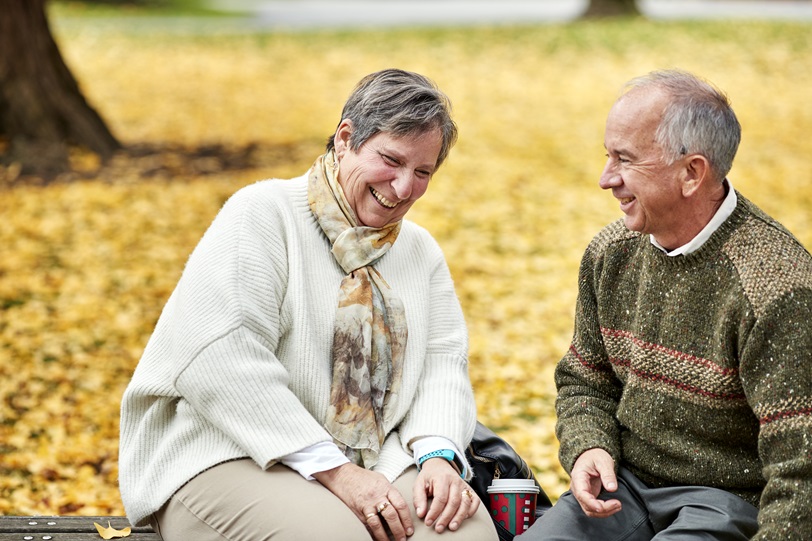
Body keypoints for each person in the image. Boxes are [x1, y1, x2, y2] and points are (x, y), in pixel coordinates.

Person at [118, 68, 498, 541]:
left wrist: (439, 455)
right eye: (391, 160)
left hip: (375, 456)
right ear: (345, 139)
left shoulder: (419, 252)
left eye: (422, 172)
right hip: (225, 451)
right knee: (337, 536)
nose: (403, 188)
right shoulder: (262, 213)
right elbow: (218, 358)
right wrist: (336, 472)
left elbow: (442, 366)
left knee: (467, 534)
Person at [517, 69, 812, 541]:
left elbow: (802, 470)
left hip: (730, 504)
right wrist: (588, 446)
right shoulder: (610, 254)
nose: (605, 178)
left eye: (625, 159)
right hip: (623, 490)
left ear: (692, 173)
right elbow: (583, 379)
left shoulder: (776, 288)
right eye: (607, 156)